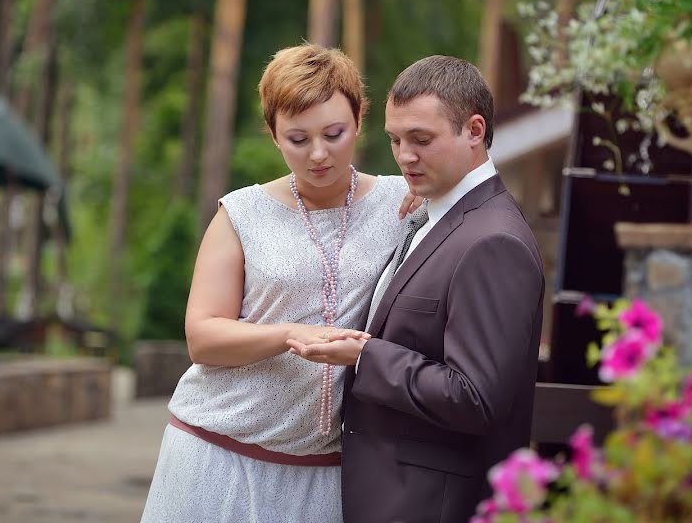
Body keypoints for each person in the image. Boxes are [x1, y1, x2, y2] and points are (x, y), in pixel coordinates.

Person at [140, 44, 416, 523]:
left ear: (360, 119)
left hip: (325, 472)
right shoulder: (242, 214)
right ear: (272, 134)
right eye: (297, 138)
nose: (318, 154)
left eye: (334, 133)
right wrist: (289, 334)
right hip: (216, 455)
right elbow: (202, 337)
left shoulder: (402, 203)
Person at [288, 55, 545, 522]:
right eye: (395, 140)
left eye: (421, 140)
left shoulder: (493, 241)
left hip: (431, 505)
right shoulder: (432, 215)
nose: (405, 155)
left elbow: (476, 398)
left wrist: (365, 356)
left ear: (474, 130)